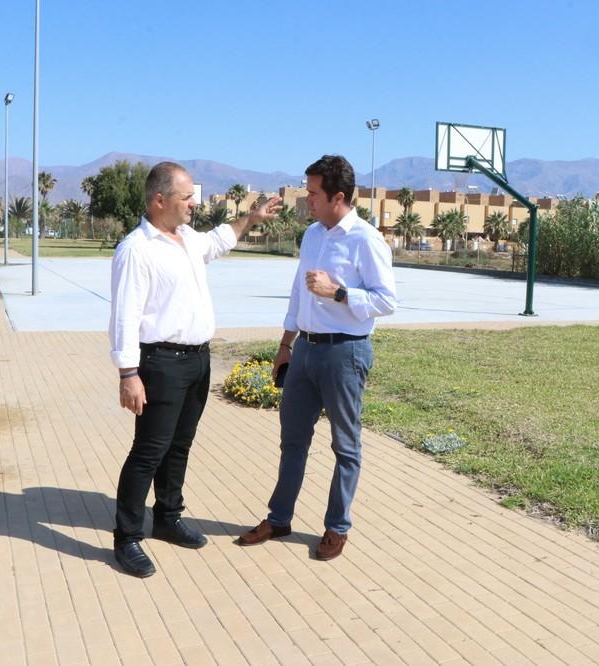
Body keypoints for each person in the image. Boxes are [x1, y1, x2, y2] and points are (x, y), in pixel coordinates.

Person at [110, 162, 280, 577]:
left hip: (196, 361)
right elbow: (125, 316)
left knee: (179, 445)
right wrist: (128, 374)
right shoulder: (137, 249)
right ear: (160, 200)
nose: (194, 204)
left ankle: (167, 517)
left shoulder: (186, 238)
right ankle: (127, 538)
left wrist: (251, 218)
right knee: (149, 452)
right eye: (187, 197)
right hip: (161, 363)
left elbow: (220, 241)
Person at [238, 155, 397, 561]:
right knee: (292, 441)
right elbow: (297, 294)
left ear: (337, 196)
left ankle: (336, 527)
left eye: (312, 193)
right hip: (305, 350)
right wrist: (285, 344)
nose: (306, 199)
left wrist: (338, 292)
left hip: (345, 353)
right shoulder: (312, 235)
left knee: (345, 446)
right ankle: (279, 518)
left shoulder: (366, 239)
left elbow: (386, 302)